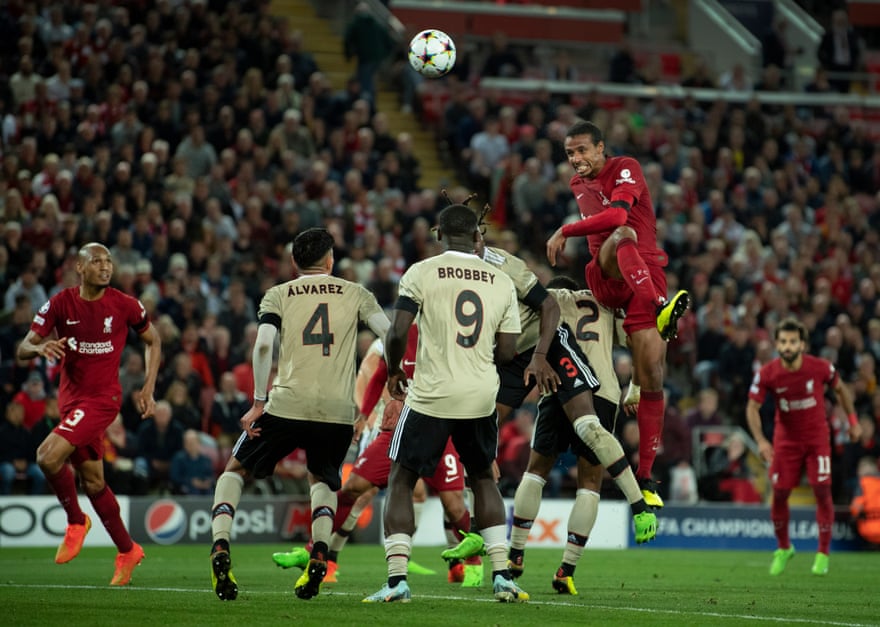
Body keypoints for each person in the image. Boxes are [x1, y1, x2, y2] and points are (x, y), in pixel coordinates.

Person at [208, 227, 389, 601]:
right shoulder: (356, 293)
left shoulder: (279, 294)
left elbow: (262, 346)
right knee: (322, 480)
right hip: (337, 412)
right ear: (330, 260)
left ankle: (220, 546)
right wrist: (401, 376)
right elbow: (390, 335)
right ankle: (320, 553)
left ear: (294, 262)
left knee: (235, 470)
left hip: (286, 404)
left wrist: (259, 402)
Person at [363, 203, 527, 604]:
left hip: (433, 394)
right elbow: (507, 350)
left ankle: (398, 580)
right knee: (484, 479)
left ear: (439, 234)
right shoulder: (501, 280)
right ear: (477, 238)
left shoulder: (420, 272)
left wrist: (396, 369)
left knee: (402, 479)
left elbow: (398, 330)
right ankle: (503, 576)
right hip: (480, 395)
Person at [546, 120, 690, 508]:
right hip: (607, 273)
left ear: (601, 148)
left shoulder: (626, 167)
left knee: (653, 376)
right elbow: (615, 223)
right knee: (623, 235)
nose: (576, 160)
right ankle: (662, 310)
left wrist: (566, 229)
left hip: (645, 271)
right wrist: (569, 230)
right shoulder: (579, 185)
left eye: (581, 151)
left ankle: (646, 478)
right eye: (569, 154)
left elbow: (617, 212)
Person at [272, 324, 473, 586]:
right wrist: (367, 413)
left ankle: (469, 563)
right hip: (390, 425)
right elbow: (373, 374)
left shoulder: (450, 336)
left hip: (437, 425)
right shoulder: (393, 338)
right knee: (360, 491)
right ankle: (325, 556)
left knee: (446, 499)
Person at [16, 242, 160, 586]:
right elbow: (23, 346)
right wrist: (40, 346)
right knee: (94, 481)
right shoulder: (60, 303)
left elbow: (153, 340)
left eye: (108, 261)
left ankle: (76, 520)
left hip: (102, 400)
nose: (105, 266)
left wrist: (148, 387)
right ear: (80, 268)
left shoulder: (124, 304)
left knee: (47, 457)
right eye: (96, 261)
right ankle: (128, 550)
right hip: (71, 402)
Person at [505, 275, 651, 595]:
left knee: (536, 471)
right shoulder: (607, 303)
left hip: (557, 387)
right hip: (603, 392)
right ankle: (566, 570)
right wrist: (635, 388)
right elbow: (639, 342)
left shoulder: (549, 299)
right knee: (590, 483)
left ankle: (515, 554)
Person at [746, 317, 862, 577]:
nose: (787, 346)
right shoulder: (767, 373)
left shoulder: (820, 368)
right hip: (785, 443)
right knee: (780, 493)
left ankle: (822, 553)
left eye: (793, 341)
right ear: (777, 344)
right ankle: (784, 547)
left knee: (822, 490)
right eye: (783, 341)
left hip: (816, 440)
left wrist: (853, 422)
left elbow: (841, 390)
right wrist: (762, 441)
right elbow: (751, 407)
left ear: (802, 344)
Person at [850, 457, 880, 546]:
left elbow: (856, 507)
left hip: (868, 529)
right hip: (872, 525)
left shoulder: (862, 483)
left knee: (852, 520)